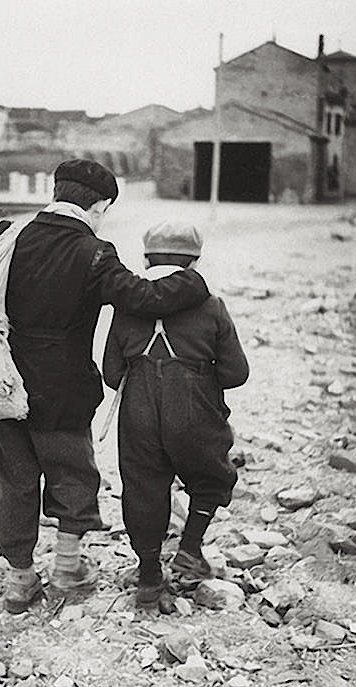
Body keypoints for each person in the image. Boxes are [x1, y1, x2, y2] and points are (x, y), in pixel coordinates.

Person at [0, 159, 211, 613]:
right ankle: (67, 568)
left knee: (12, 479)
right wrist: (192, 283)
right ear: (100, 204)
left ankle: (19, 581)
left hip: (1, 380)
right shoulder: (94, 252)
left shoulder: (8, 235)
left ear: (56, 192)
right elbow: (141, 297)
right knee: (72, 472)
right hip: (62, 388)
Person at [102, 220, 249, 608]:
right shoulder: (211, 305)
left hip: (139, 408)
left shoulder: (126, 305)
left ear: (147, 258)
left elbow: (111, 373)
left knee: (144, 487)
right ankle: (190, 549)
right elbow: (237, 373)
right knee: (210, 475)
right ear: (195, 262)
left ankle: (149, 578)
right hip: (195, 405)